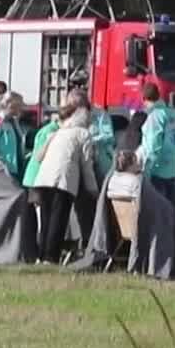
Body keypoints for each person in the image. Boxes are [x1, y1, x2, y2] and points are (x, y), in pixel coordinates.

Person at [34, 99, 99, 263]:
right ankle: (51, 256)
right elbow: (86, 165)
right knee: (59, 218)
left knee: (46, 218)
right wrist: (93, 189)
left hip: (43, 178)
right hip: (63, 180)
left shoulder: (58, 132)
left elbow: (39, 157)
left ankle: (41, 255)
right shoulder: (84, 134)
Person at [137, 82, 175, 206]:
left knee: (158, 212)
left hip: (157, 172)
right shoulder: (173, 114)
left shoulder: (154, 117)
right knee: (173, 212)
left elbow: (153, 146)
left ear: (143, 98)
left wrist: (146, 171)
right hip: (173, 171)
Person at [0, 92, 27, 179]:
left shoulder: (14, 122)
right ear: (10, 105)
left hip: (18, 167)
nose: (21, 108)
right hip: (5, 170)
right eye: (19, 105)